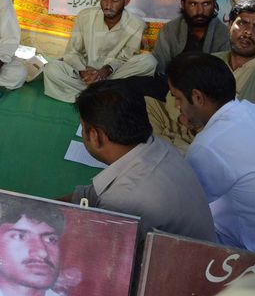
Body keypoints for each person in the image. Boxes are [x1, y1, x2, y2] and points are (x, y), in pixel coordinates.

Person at [67, 79, 215, 241]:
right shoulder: (158, 146)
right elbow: (91, 195)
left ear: (95, 137)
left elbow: (100, 254)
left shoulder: (122, 200)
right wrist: (43, 206)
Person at [167, 52, 255, 253]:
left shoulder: (209, 146)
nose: (177, 107)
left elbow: (181, 209)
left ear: (197, 97)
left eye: (178, 98)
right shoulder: (254, 111)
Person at [147, 0, 255, 153]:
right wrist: (188, 120)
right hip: (187, 126)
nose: (248, 32)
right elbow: (173, 96)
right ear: (230, 26)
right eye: (242, 23)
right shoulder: (212, 60)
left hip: (229, 145)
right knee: (149, 105)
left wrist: (206, 128)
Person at [43, 0, 155, 103]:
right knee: (52, 69)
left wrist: (106, 70)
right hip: (85, 74)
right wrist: (83, 71)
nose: (108, 6)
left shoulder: (136, 24)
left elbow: (126, 57)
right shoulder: (85, 17)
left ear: (126, 0)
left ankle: (90, 94)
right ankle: (103, 94)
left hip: (113, 74)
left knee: (148, 61)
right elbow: (72, 52)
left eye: (114, 0)